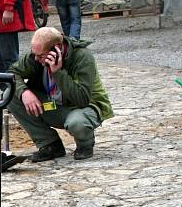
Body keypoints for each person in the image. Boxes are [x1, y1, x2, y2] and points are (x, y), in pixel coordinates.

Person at [7, 26, 113, 161]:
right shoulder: (37, 55)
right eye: (34, 54)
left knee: (77, 123)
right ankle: (50, 144)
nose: (35, 59)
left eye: (40, 56)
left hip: (83, 107)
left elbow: (82, 99)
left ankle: (85, 144)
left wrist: (57, 72)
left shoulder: (82, 56)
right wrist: (25, 92)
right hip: (54, 105)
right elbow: (12, 73)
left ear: (57, 48)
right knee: (10, 95)